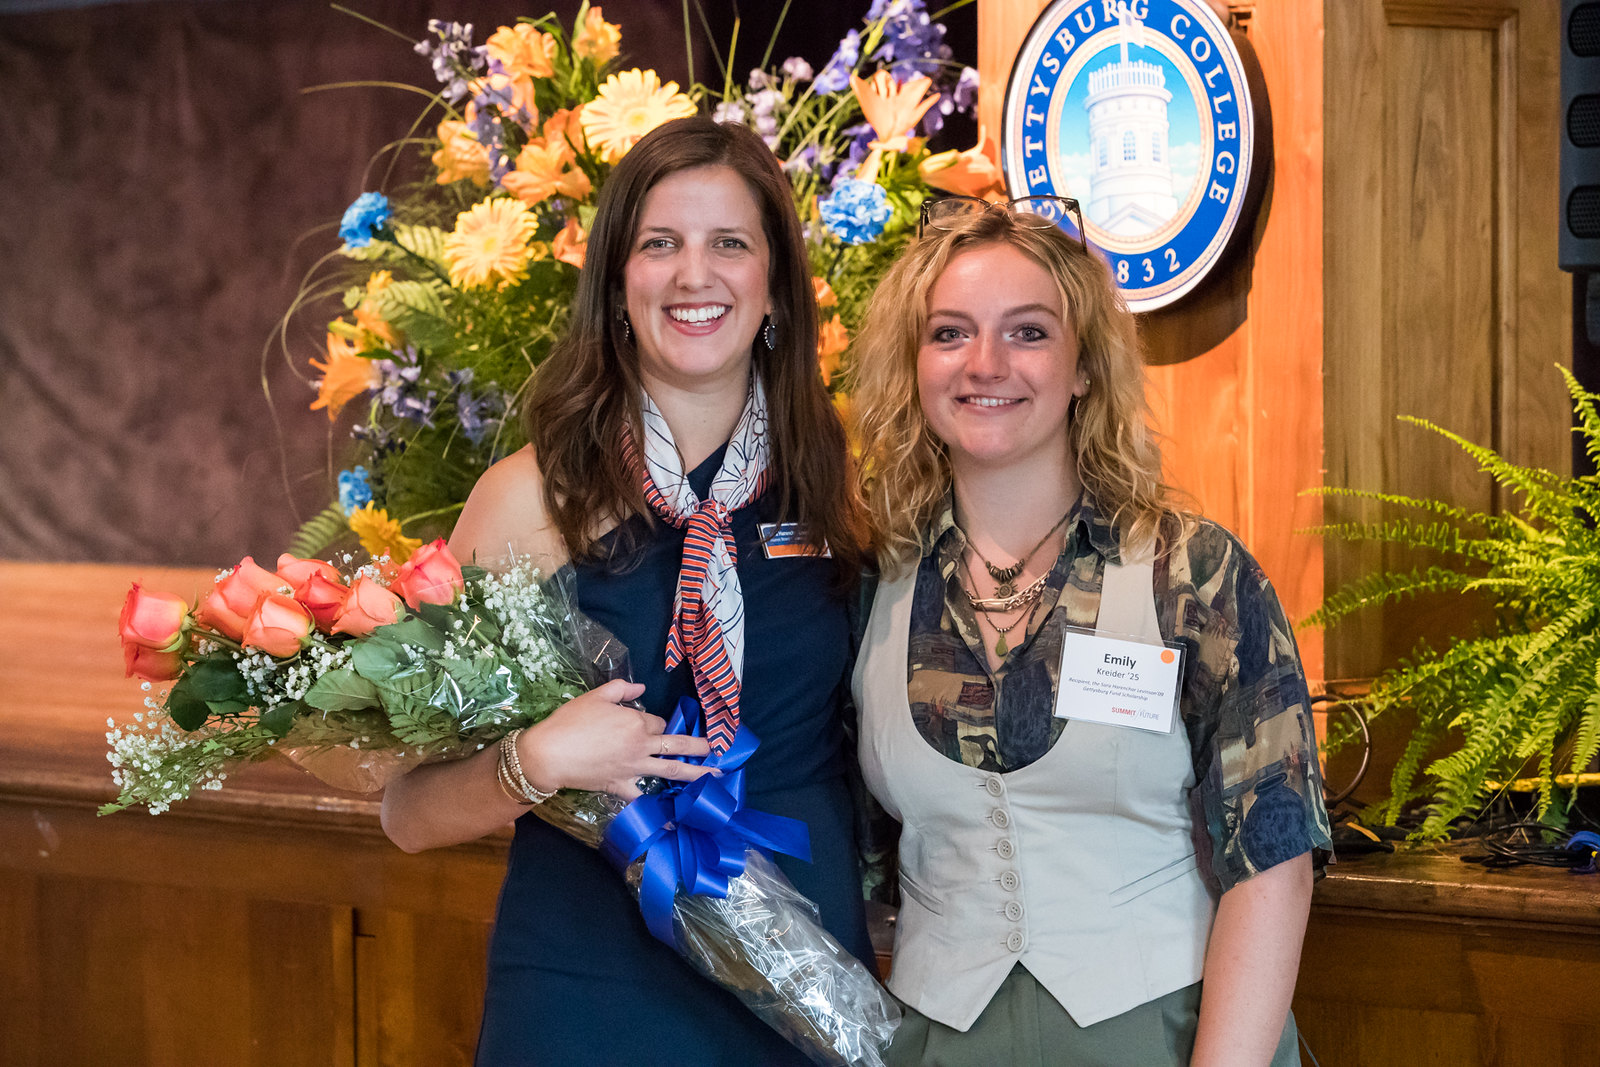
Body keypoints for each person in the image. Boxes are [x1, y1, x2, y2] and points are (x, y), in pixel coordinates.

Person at [379, 117, 874, 1066]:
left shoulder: (846, 487)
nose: (696, 274)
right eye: (661, 244)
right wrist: (535, 760)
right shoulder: (528, 499)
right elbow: (408, 813)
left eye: (730, 243)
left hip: (803, 987)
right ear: (616, 285)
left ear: (775, 288)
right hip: (586, 989)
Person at [848, 198, 1333, 1067]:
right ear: (913, 366)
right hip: (938, 1043)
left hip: (1171, 1035)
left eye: (1028, 332)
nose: (985, 363)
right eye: (950, 333)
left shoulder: (1194, 574)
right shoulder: (866, 591)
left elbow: (1274, 856)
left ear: (1082, 367)